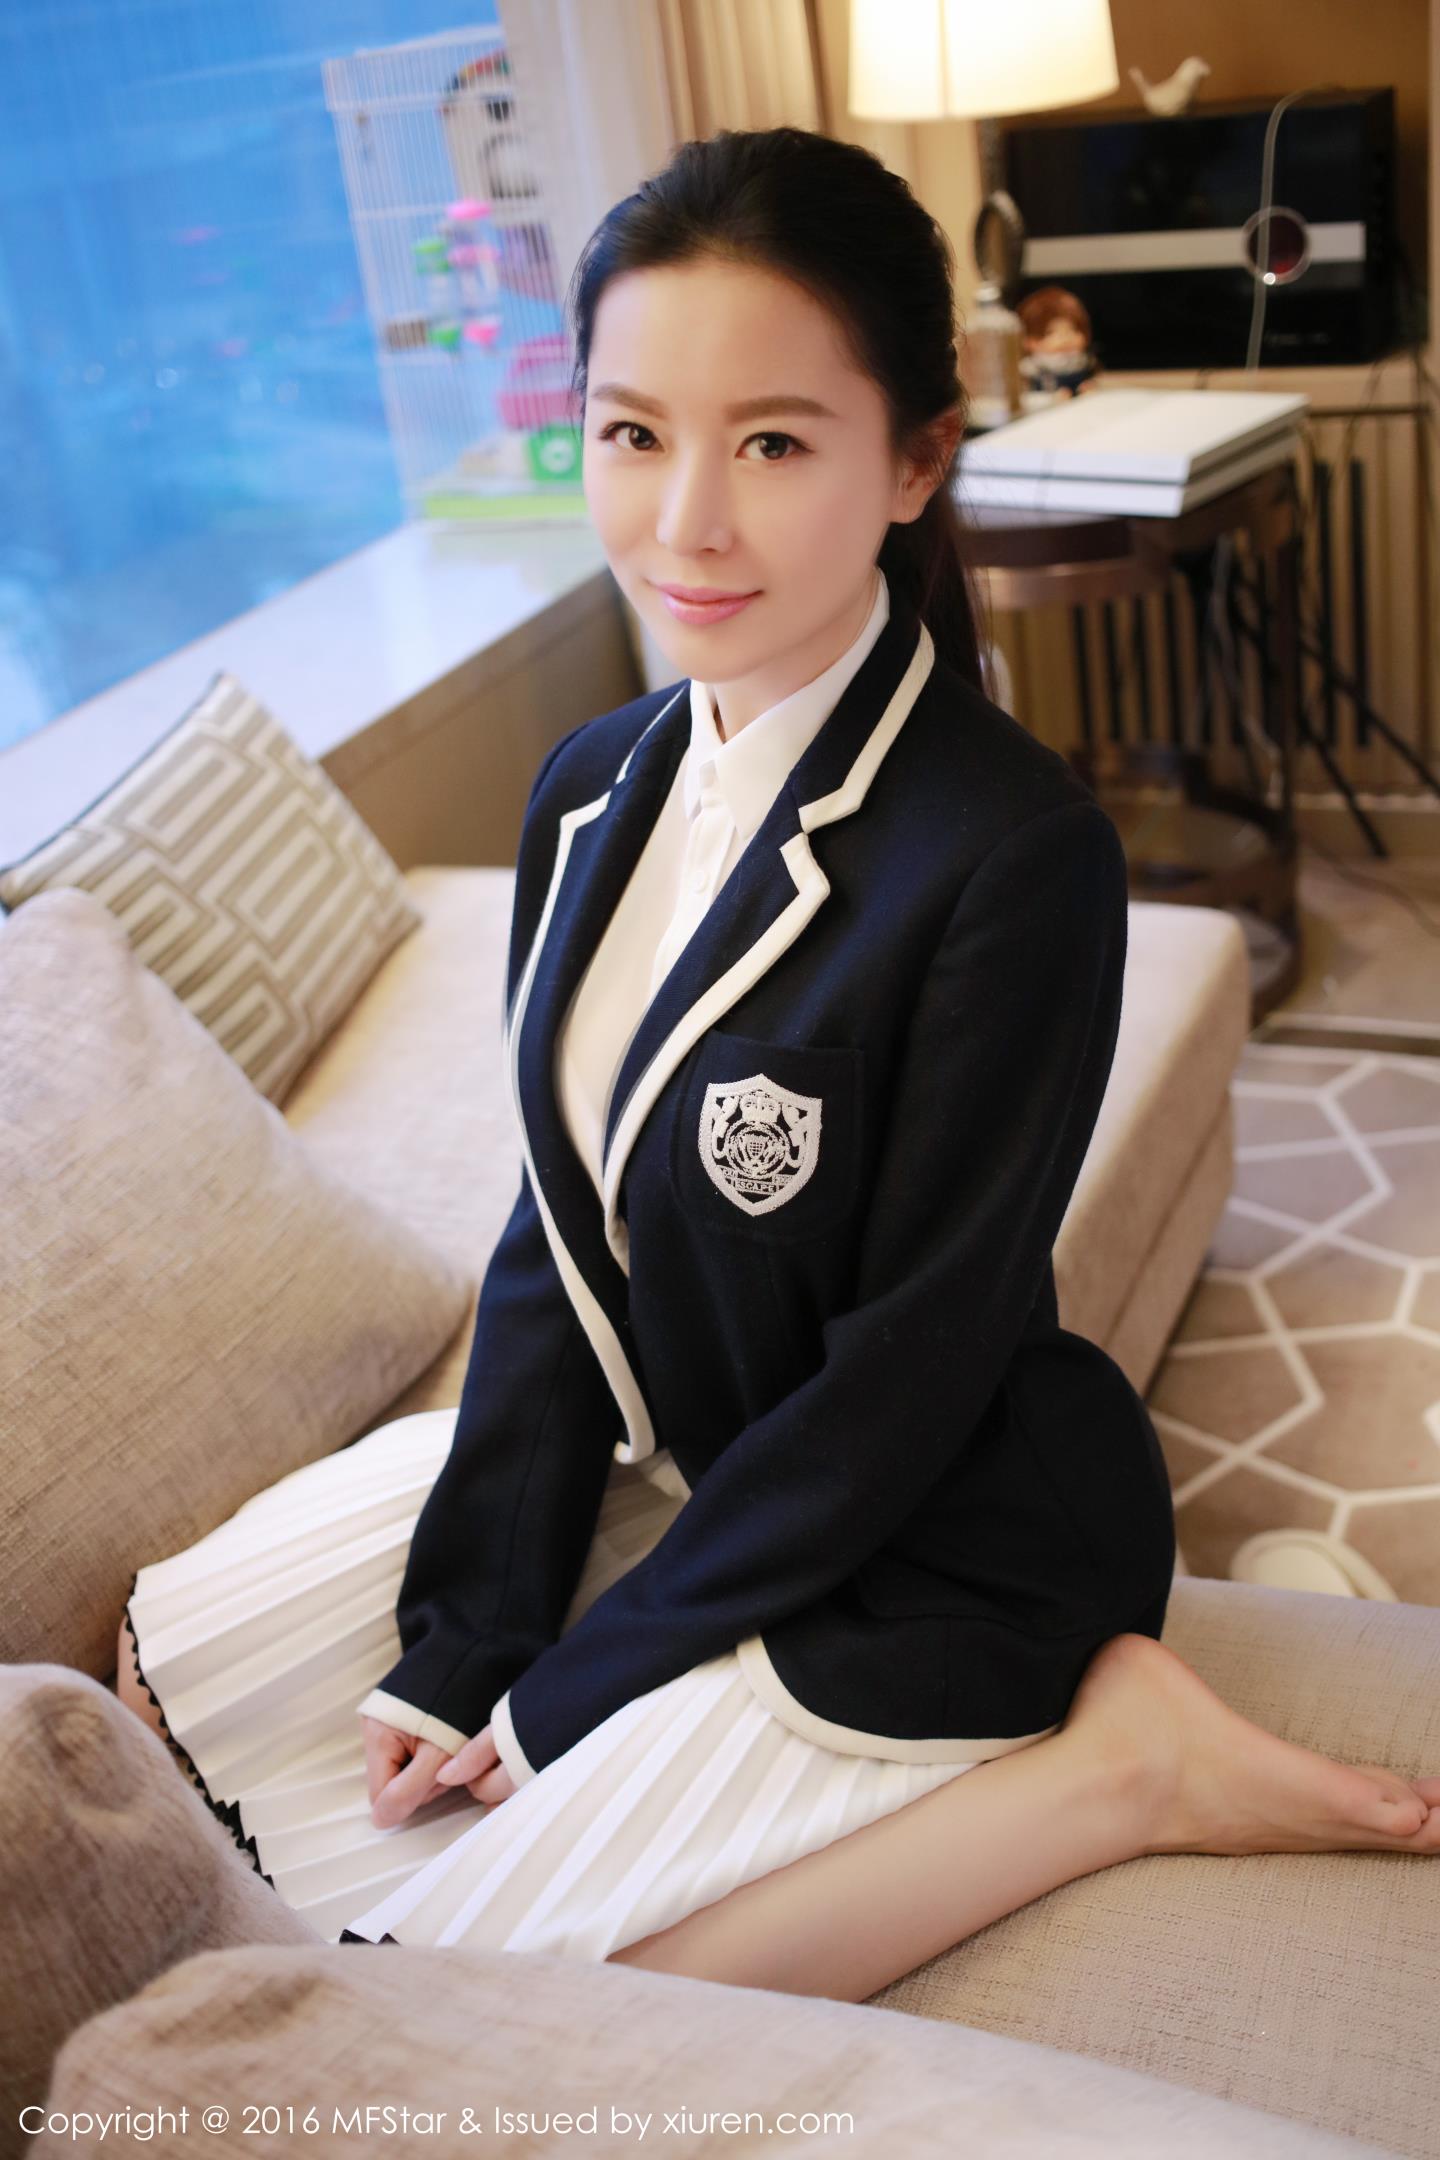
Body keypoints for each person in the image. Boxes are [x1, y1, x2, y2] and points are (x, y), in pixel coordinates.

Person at [118, 126, 1440, 2003]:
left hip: (925, 1515)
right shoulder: (587, 792)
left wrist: (574, 1688)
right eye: (633, 432)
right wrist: (471, 1625)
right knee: (192, 1661)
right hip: (677, 1455)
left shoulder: (1013, 853)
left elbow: (911, 1368)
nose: (686, 524)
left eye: (773, 444)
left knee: (499, 1998)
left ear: (915, 459)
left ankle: (1123, 1767)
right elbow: (555, 1233)